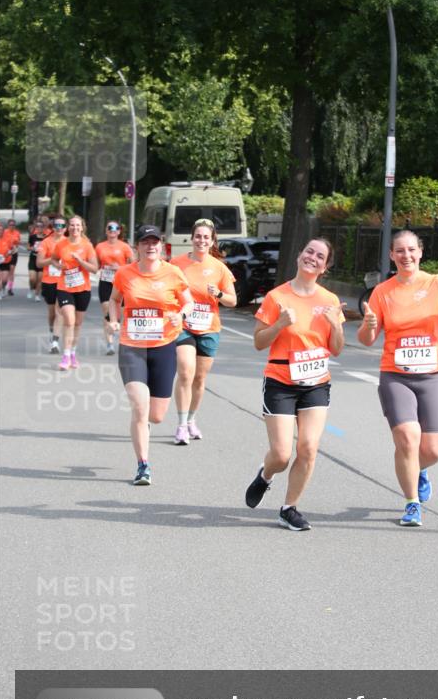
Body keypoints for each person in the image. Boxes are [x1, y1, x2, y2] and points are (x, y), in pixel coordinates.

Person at [357, 229, 438, 527]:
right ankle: (412, 503)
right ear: (392, 255)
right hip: (396, 375)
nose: (406, 256)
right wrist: (368, 324)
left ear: (420, 252)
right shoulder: (383, 292)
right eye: (399, 251)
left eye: (411, 250)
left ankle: (418, 469)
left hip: (432, 375)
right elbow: (366, 339)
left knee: (432, 451)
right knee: (407, 438)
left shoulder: (436, 284)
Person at [244, 238, 345, 531]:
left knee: (309, 447)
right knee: (281, 455)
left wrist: (336, 324)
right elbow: (259, 343)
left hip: (315, 382)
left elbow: (336, 348)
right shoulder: (277, 297)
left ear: (325, 267)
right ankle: (265, 475)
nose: (312, 257)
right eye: (309, 251)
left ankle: (289, 508)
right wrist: (278, 325)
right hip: (280, 381)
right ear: (300, 255)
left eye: (320, 256)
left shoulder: (330, 301)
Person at [108, 224, 193, 486]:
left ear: (161, 244)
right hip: (132, 346)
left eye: (154, 241)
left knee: (156, 416)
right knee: (140, 406)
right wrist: (113, 319)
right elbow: (114, 299)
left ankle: (145, 425)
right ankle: (143, 464)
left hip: (164, 345)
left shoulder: (173, 273)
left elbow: (188, 301)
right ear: (138, 246)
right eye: (145, 242)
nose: (150, 246)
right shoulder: (125, 273)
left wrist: (181, 314)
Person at [170, 218, 237, 444]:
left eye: (206, 237)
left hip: (209, 328)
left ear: (212, 241)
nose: (201, 240)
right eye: (198, 236)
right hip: (184, 326)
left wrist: (217, 294)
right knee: (186, 373)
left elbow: (232, 301)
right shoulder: (177, 264)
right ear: (192, 238)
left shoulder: (219, 268)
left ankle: (191, 420)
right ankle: (180, 425)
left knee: (199, 378)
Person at [51, 216, 98, 370]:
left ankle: (72, 353)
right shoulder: (61, 244)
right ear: (68, 227)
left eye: (77, 225)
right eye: (72, 225)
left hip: (83, 289)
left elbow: (94, 268)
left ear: (82, 228)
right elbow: (53, 259)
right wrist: (58, 266)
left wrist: (80, 261)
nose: (75, 228)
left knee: (77, 323)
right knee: (69, 321)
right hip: (64, 287)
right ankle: (65, 357)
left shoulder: (87, 246)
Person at [94, 221, 134, 355]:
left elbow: (134, 264)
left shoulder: (125, 247)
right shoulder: (100, 247)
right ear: (106, 231)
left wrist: (120, 268)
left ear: (119, 231)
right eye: (109, 228)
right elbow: (96, 264)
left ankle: (123, 339)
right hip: (105, 281)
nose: (113, 230)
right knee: (107, 311)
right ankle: (110, 344)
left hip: (120, 283)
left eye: (116, 228)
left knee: (121, 314)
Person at [35, 216, 66, 352]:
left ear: (65, 228)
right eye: (56, 225)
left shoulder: (69, 242)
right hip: (49, 281)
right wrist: (52, 260)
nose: (59, 228)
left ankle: (55, 342)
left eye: (62, 225)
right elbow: (39, 262)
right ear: (53, 227)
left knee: (60, 312)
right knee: (52, 312)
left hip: (65, 281)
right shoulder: (46, 242)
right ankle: (52, 331)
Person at [27, 218, 46, 301]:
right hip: (33, 259)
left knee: (40, 279)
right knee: (32, 278)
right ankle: (31, 289)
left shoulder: (46, 238)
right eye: (37, 226)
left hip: (42, 260)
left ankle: (37, 295)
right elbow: (28, 247)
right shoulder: (32, 237)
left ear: (43, 228)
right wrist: (33, 248)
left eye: (41, 226)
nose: (39, 228)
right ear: (36, 228)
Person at [0, 220, 12, 300]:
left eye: (1, 230)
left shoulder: (7, 239)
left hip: (6, 261)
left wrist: (9, 253)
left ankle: (3, 288)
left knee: (4, 279)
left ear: (3, 231)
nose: (0, 231)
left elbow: (13, 249)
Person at [4, 219, 21, 295]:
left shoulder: (17, 233)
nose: (12, 226)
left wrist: (15, 247)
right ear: (8, 225)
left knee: (12, 271)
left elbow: (18, 243)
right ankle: (3, 286)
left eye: (13, 225)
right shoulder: (4, 232)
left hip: (14, 253)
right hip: (5, 253)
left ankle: (10, 288)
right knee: (5, 272)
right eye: (10, 225)